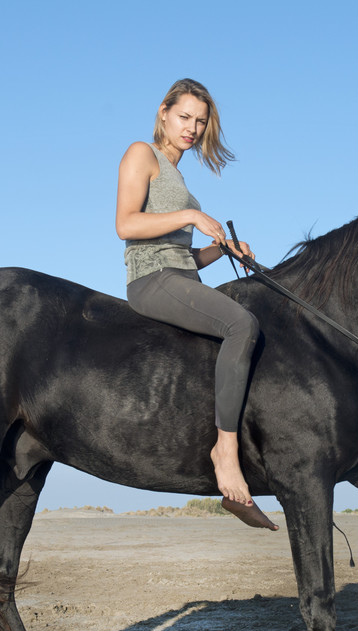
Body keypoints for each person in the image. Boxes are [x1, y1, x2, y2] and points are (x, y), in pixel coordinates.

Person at [116, 78, 277, 531]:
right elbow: (126, 224)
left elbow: (185, 259)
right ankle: (224, 452)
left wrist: (224, 251)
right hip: (151, 280)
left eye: (200, 121)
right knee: (242, 325)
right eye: (184, 116)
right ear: (164, 112)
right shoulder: (140, 154)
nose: (192, 127)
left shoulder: (180, 176)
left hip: (179, 275)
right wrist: (190, 214)